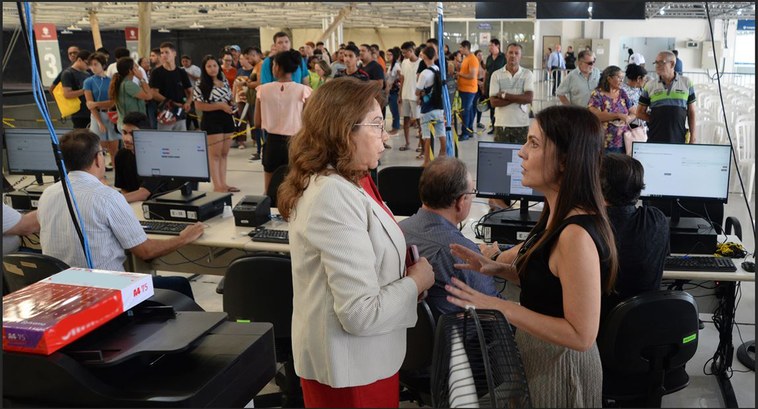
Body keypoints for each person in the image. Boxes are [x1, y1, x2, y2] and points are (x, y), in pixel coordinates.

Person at [277, 77, 435, 408]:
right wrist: (416, 281)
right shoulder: (332, 195)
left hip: (367, 361)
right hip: (349, 372)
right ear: (344, 131)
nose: (386, 136)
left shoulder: (351, 180)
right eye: (377, 125)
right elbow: (360, 313)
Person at [446, 105, 618, 408]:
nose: (521, 153)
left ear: (565, 161)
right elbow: (552, 281)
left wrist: (499, 306)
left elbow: (581, 335)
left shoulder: (575, 235)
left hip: (563, 369)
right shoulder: (556, 214)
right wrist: (497, 268)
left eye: (534, 144)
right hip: (540, 356)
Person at [37, 129, 206, 275]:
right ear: (97, 158)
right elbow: (145, 252)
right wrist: (183, 238)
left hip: (65, 294)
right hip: (107, 294)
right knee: (180, 287)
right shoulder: (106, 197)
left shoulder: (48, 194)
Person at [400, 157, 499, 319]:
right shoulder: (462, 253)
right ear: (460, 201)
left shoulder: (398, 231)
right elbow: (494, 311)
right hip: (462, 338)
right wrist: (489, 263)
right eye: (471, 194)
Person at [599, 153, 668, 323]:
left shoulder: (589, 228)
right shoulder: (657, 220)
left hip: (597, 331)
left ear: (598, 187)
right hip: (644, 328)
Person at [255, 50, 312, 194]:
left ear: (278, 67)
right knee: (296, 186)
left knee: (269, 188)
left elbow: (257, 122)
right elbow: (309, 122)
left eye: (274, 65)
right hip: (295, 143)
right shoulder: (304, 91)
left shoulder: (263, 90)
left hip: (272, 143)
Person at [114, 112, 186, 202]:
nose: (126, 139)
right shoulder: (121, 155)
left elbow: (144, 194)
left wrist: (115, 200)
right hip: (134, 202)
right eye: (124, 132)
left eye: (133, 134)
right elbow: (124, 188)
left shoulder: (156, 157)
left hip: (159, 204)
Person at [193, 54, 238, 193]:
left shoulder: (223, 81)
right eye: (209, 66)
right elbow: (199, 106)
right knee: (215, 155)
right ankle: (217, 185)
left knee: (224, 154)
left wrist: (233, 105)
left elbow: (230, 97)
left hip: (227, 118)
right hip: (212, 120)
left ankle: (223, 183)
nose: (212, 69)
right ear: (204, 68)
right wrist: (219, 106)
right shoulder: (200, 84)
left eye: (214, 66)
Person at [636, 50, 697, 144]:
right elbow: (639, 113)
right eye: (655, 62)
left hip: (678, 136)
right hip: (655, 136)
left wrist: (693, 137)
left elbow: (691, 112)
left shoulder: (687, 83)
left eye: (661, 62)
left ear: (672, 64)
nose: (657, 65)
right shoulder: (649, 85)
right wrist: (657, 119)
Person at [488, 42, 534, 144]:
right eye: (511, 52)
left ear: (521, 56)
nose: (513, 56)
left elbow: (528, 99)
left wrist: (505, 96)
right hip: (501, 125)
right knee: (501, 158)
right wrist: (519, 97)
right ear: (506, 54)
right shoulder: (496, 75)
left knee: (520, 158)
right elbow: (493, 102)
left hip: (521, 124)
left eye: (516, 53)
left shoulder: (527, 74)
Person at [588, 65, 636, 154]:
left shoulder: (622, 93)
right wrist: (617, 115)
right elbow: (594, 115)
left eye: (622, 77)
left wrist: (628, 119)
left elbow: (634, 112)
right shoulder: (597, 94)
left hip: (623, 141)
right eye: (619, 77)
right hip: (604, 142)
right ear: (609, 79)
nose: (622, 80)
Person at [83, 52, 118, 170]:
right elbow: (89, 105)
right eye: (91, 65)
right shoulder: (88, 81)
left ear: (103, 65)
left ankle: (118, 176)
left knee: (114, 148)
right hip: (96, 116)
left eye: (95, 64)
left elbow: (113, 102)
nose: (93, 67)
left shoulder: (111, 80)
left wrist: (96, 104)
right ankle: (99, 176)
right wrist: (99, 122)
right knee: (97, 150)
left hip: (112, 115)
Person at [149, 42, 193, 131]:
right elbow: (154, 93)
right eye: (162, 53)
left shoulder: (181, 72)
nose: (164, 55)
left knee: (181, 141)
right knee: (165, 142)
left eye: (166, 52)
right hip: (164, 114)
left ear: (174, 53)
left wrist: (188, 102)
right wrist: (171, 102)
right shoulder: (157, 73)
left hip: (180, 114)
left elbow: (190, 91)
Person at [415, 46, 447, 166]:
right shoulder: (437, 69)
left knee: (426, 135)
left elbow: (417, 91)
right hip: (438, 106)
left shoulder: (424, 73)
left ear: (423, 56)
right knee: (441, 132)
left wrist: (421, 93)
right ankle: (443, 155)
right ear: (434, 56)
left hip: (427, 108)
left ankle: (427, 160)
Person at [109, 57, 152, 133]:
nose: (138, 67)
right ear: (130, 71)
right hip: (131, 125)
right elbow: (149, 96)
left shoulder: (122, 83)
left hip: (126, 123)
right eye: (135, 66)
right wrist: (141, 78)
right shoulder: (128, 85)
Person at [60, 49, 92, 128]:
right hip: (79, 113)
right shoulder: (68, 73)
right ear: (79, 60)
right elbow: (67, 94)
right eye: (87, 63)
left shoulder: (87, 74)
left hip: (90, 111)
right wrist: (85, 90)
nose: (88, 67)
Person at [398, 41, 421, 151]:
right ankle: (407, 143)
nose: (403, 55)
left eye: (404, 53)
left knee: (419, 121)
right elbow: (402, 79)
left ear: (411, 51)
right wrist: (400, 94)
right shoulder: (404, 62)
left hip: (415, 96)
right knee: (406, 120)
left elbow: (422, 81)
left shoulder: (421, 63)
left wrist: (420, 96)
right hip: (405, 95)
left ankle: (421, 144)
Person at [457, 40, 479, 141]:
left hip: (469, 90)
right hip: (463, 89)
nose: (460, 49)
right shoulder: (466, 58)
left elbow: (472, 75)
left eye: (461, 47)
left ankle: (465, 133)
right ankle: (469, 130)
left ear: (466, 48)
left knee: (465, 111)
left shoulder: (472, 59)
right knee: (468, 111)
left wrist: (459, 74)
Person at [484, 38, 506, 134]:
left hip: (500, 86)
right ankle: (493, 126)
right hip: (490, 86)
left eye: (492, 45)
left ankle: (501, 127)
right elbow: (486, 72)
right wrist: (484, 86)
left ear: (498, 46)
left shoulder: (503, 57)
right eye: (489, 45)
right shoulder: (489, 58)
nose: (490, 47)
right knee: (492, 107)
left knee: (500, 107)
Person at [385, 47, 402, 136]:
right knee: (392, 109)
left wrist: (396, 85)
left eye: (390, 54)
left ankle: (396, 127)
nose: (388, 56)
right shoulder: (391, 65)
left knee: (394, 109)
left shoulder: (396, 65)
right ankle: (394, 126)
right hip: (390, 90)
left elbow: (401, 77)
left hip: (395, 90)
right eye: (387, 54)